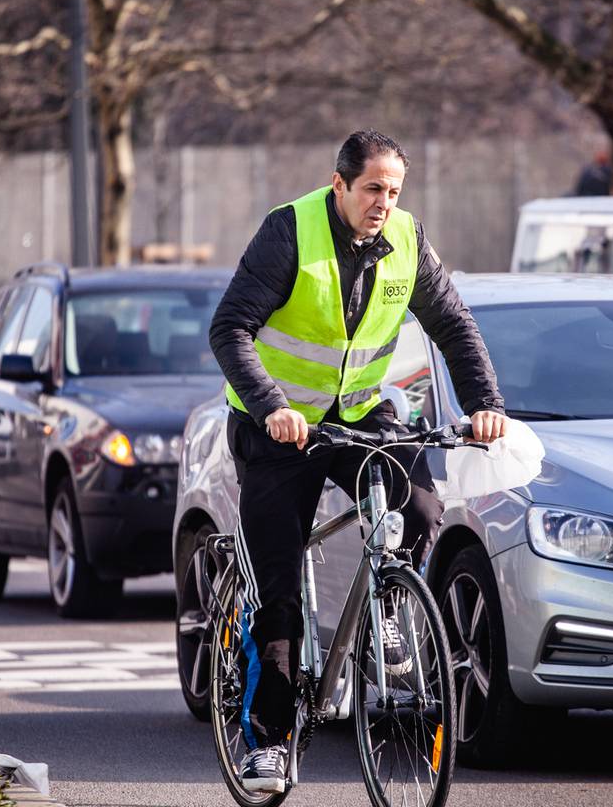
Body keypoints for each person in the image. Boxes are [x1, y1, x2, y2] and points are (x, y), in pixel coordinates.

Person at [209, 130, 507, 794]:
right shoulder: (289, 232)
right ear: (339, 183)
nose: (384, 202)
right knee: (277, 592)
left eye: (394, 191)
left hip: (356, 414)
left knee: (419, 502)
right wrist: (271, 406)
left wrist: (485, 404)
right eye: (373, 188)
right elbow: (229, 329)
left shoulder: (407, 238)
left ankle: (387, 608)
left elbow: (454, 326)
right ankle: (269, 741)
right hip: (277, 428)